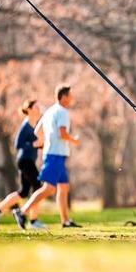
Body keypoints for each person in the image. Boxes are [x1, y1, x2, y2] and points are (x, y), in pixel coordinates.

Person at [13, 84, 82, 229]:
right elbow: (62, 134)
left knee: (63, 187)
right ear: (63, 97)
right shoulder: (62, 111)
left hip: (56, 154)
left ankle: (65, 222)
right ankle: (22, 212)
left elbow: (38, 131)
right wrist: (74, 140)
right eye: (70, 95)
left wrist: (47, 142)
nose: (72, 98)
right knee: (49, 189)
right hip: (55, 155)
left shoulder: (50, 111)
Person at [0, 100, 46, 230]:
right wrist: (34, 144)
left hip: (28, 161)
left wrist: (41, 145)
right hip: (25, 161)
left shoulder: (34, 125)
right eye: (36, 106)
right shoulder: (25, 126)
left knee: (23, 192)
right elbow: (18, 145)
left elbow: (34, 144)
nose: (38, 108)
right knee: (38, 188)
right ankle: (33, 221)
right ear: (29, 109)